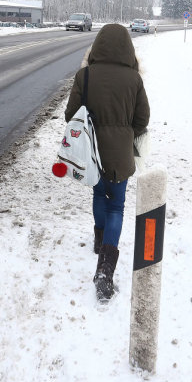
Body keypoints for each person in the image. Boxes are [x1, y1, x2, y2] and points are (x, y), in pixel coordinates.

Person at [64, 25, 150, 301]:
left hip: (92, 152)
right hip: (121, 154)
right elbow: (142, 120)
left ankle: (99, 241)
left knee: (99, 194)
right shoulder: (134, 80)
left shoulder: (84, 75)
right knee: (117, 205)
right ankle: (105, 267)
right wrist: (126, 133)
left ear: (97, 46)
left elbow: (70, 115)